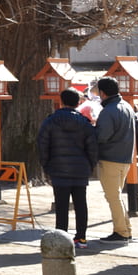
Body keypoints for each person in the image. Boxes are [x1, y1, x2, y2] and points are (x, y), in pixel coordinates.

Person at [37, 88, 99, 249]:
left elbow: (42, 145)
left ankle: (62, 237)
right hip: (80, 168)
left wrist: (46, 165)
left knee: (61, 205)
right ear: (78, 102)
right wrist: (90, 165)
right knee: (80, 204)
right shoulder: (84, 123)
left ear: (61, 101)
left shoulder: (50, 121)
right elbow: (92, 147)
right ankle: (81, 238)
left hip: (58, 168)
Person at [94, 77, 138, 243]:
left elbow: (102, 136)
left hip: (110, 157)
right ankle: (125, 229)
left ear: (102, 93)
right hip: (125, 157)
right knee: (117, 196)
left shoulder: (109, 111)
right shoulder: (127, 106)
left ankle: (121, 232)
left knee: (113, 197)